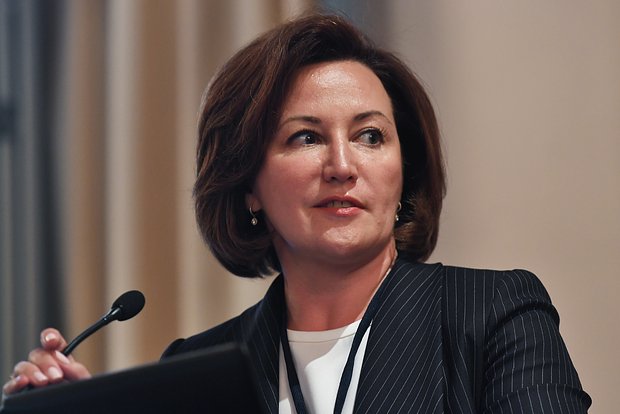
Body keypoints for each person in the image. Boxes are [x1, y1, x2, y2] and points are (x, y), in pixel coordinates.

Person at [3, 13, 591, 414]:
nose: (342, 165)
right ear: (248, 185)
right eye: (305, 138)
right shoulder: (194, 368)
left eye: (369, 136)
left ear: (404, 170)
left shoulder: (492, 315)